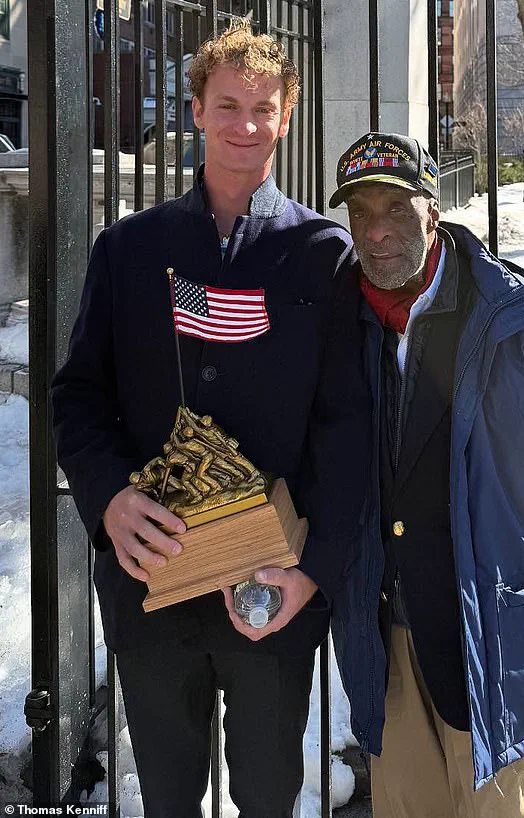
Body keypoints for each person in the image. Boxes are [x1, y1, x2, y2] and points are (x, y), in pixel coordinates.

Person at [51, 21, 369, 818]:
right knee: (166, 795)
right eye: (227, 105)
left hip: (275, 583)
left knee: (267, 793)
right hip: (150, 580)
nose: (246, 126)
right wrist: (110, 500)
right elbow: (78, 395)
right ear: (195, 110)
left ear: (287, 115)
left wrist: (313, 574)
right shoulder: (129, 250)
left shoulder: (323, 253)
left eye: (264, 108)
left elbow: (347, 429)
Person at [328, 131, 524, 818]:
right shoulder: (339, 322)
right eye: (361, 214)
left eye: (395, 209)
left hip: (496, 634)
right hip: (388, 638)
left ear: (433, 209)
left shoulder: (519, 324)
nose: (378, 231)